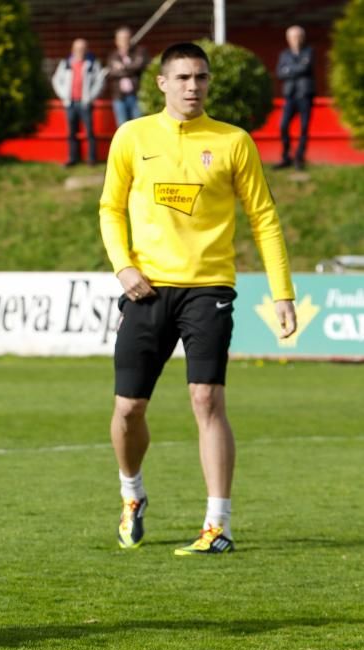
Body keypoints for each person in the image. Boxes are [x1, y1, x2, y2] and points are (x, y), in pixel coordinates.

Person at [99, 43, 297, 556]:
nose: (193, 86)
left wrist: (282, 292)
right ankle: (132, 493)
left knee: (207, 399)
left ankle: (218, 524)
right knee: (127, 410)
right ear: (162, 83)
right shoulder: (132, 136)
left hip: (210, 286)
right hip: (146, 288)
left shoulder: (233, 142)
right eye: (183, 77)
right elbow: (109, 208)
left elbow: (264, 219)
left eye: (201, 78)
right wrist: (123, 266)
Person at [52, 38, 107, 166]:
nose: (79, 51)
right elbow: (56, 80)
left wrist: (91, 97)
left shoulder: (92, 63)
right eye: (77, 49)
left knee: (89, 132)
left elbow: (100, 81)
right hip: (70, 103)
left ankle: (92, 159)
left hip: (85, 103)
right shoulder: (66, 63)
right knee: (71, 132)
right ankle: (73, 158)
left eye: (82, 49)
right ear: (73, 50)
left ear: (86, 50)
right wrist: (63, 95)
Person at [275, 25, 315, 170]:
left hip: (305, 95)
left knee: (304, 128)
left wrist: (289, 69)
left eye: (298, 36)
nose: (295, 39)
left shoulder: (309, 51)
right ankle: (286, 156)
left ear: (302, 38)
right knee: (283, 126)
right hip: (290, 96)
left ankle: (299, 158)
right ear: (288, 38)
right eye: (293, 37)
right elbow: (280, 73)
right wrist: (296, 68)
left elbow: (305, 68)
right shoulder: (284, 55)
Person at [106, 27, 149, 126]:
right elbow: (111, 73)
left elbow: (140, 66)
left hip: (137, 95)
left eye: (126, 38)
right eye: (121, 39)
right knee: (122, 127)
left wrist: (121, 68)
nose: (124, 41)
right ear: (116, 41)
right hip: (119, 97)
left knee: (139, 125)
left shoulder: (140, 51)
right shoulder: (113, 56)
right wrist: (130, 68)